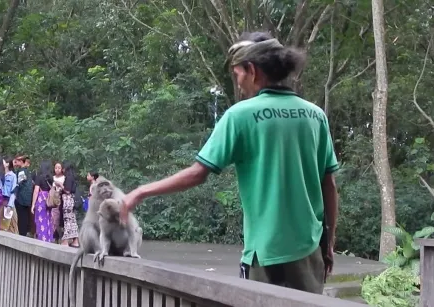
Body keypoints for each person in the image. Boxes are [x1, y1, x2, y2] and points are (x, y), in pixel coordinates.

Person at [120, 31, 339, 294]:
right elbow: (329, 185)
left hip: (265, 255)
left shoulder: (240, 115)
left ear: (252, 70)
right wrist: (329, 241)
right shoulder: (315, 116)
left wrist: (141, 191)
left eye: (237, 74)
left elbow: (198, 173)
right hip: (309, 250)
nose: (238, 83)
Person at [32, 160, 54, 242]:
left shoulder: (39, 177)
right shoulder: (51, 178)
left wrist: (33, 204)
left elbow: (36, 191)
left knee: (41, 221)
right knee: (48, 221)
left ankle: (42, 240)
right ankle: (48, 240)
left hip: (41, 200)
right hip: (48, 201)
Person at [60, 161, 79, 247]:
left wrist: (60, 185)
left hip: (67, 200)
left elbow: (67, 190)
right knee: (73, 220)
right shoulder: (74, 177)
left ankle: (65, 241)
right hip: (72, 200)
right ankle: (75, 241)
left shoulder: (68, 178)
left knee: (67, 220)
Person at [13, 156, 33, 236]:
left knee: (22, 217)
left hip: (21, 198)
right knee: (25, 216)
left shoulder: (21, 171)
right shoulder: (27, 171)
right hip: (27, 199)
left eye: (17, 161)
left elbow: (19, 184)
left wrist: (14, 193)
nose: (16, 162)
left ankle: (22, 234)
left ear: (22, 161)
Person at [0, 156, 18, 234]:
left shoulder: (13, 176)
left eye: (3, 162)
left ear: (7, 164)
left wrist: (10, 205)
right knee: (1, 224)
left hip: (8, 201)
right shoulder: (0, 175)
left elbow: (14, 191)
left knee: (12, 224)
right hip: (0, 201)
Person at [51, 162, 65, 242]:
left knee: (58, 219)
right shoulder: (52, 178)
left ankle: (59, 236)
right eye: (56, 167)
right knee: (52, 218)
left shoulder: (64, 178)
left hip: (61, 200)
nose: (57, 169)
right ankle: (53, 235)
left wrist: (59, 185)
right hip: (53, 200)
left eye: (59, 168)